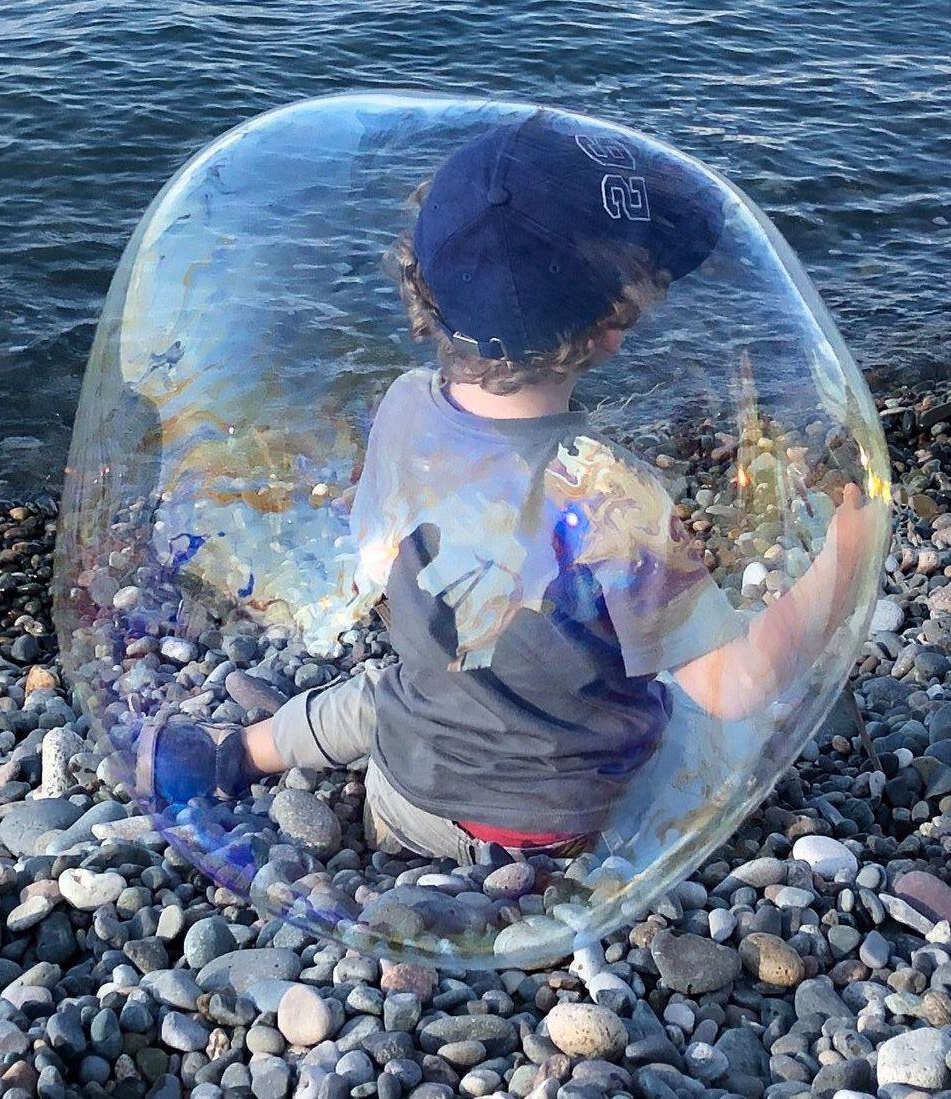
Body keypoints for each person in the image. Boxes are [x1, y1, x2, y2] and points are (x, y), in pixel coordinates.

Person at [138, 111, 879, 863]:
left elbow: (373, 557)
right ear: (610, 328)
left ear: (423, 282)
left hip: (403, 791)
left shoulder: (403, 405)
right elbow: (733, 685)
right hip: (553, 825)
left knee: (381, 695)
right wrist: (845, 561)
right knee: (677, 713)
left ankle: (231, 755)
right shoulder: (610, 493)